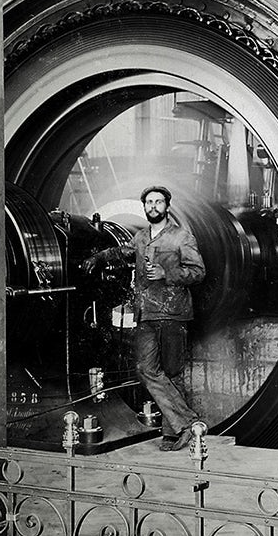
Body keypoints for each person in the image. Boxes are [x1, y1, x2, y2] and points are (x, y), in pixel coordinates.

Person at [83, 185, 206, 451]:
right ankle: (188, 422)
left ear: (167, 206)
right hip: (146, 314)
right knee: (146, 369)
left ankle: (172, 433)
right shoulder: (141, 237)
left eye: (158, 202)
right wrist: (101, 256)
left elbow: (198, 272)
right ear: (144, 207)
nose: (153, 206)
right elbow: (125, 252)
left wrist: (167, 274)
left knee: (171, 373)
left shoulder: (181, 237)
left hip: (173, 314)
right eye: (149, 202)